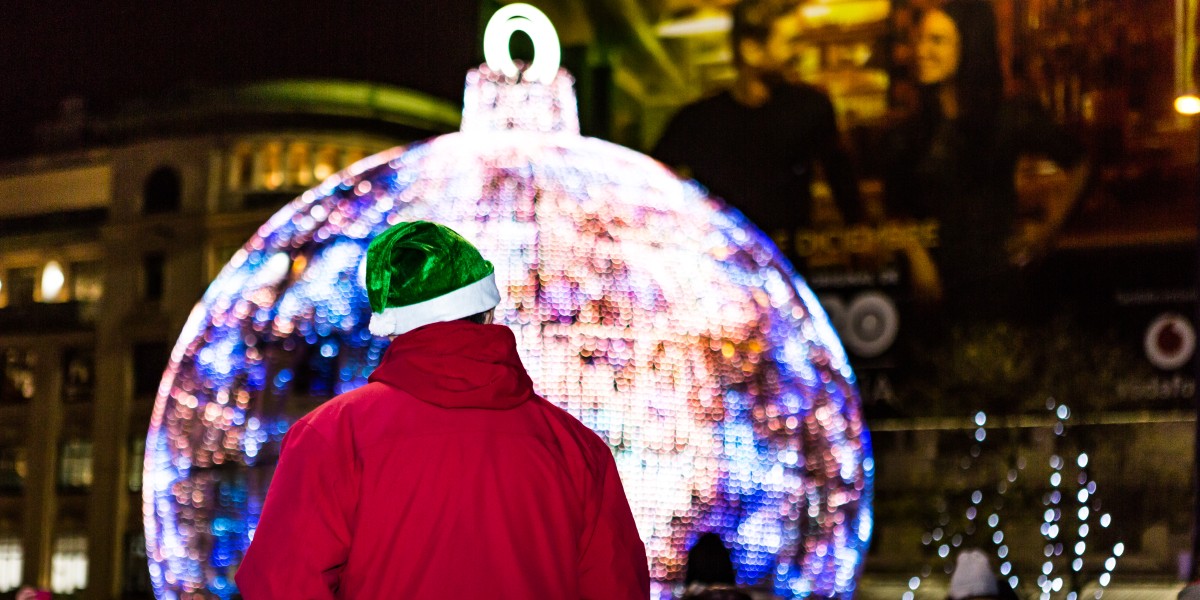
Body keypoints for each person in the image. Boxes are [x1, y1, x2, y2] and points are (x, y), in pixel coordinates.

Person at [234, 221, 649, 599]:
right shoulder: (576, 449)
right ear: (487, 311)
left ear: (390, 323)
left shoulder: (333, 435)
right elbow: (617, 586)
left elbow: (280, 584)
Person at [883, 0, 1089, 315]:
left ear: (970, 45)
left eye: (936, 40)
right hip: (933, 288)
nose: (921, 50)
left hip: (999, 279)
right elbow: (893, 208)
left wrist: (1049, 228)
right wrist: (916, 256)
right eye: (919, 39)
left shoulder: (1008, 116)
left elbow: (1082, 162)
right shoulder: (912, 129)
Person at [652, 0, 864, 255]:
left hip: (789, 271)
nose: (801, 51)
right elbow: (651, 190)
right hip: (723, 275)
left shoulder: (811, 108)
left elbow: (842, 182)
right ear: (751, 50)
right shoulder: (696, 122)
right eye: (791, 42)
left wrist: (861, 237)